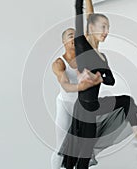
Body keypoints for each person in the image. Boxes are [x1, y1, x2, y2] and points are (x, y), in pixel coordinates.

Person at [58, 0, 137, 168]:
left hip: (94, 108)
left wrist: (99, 77)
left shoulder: (103, 57)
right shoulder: (81, 45)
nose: (106, 32)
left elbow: (111, 81)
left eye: (108, 28)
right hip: (83, 110)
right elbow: (80, 12)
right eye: (103, 27)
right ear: (91, 27)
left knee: (127, 101)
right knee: (77, 159)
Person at [51, 27, 102, 169]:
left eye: (76, 35)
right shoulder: (59, 63)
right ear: (63, 41)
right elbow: (66, 85)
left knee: (84, 146)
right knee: (62, 146)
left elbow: (91, 24)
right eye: (70, 36)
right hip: (65, 105)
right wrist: (82, 87)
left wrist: (87, 3)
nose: (74, 38)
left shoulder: (86, 57)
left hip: (82, 107)